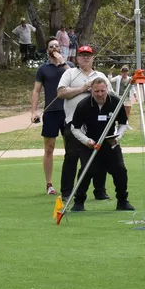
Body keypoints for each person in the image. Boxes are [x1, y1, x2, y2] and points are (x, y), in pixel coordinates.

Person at [68, 78, 135, 212]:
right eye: (96, 91)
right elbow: (75, 128)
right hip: (90, 144)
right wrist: (87, 141)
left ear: (107, 90)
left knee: (120, 170)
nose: (100, 94)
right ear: (91, 91)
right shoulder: (83, 105)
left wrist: (118, 137)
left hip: (110, 143)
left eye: (102, 91)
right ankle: (78, 202)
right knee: (86, 170)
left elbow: (123, 124)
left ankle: (122, 201)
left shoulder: (116, 102)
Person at [57, 46, 111, 203]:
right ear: (77, 58)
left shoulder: (100, 75)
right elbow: (60, 93)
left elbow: (111, 95)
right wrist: (83, 88)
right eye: (82, 56)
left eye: (88, 56)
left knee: (98, 158)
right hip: (73, 123)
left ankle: (99, 190)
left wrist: (96, 91)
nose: (85, 59)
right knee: (71, 157)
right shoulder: (70, 73)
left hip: (96, 124)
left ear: (93, 58)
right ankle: (67, 192)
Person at [31, 39, 71, 195]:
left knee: (71, 149)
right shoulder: (43, 69)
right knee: (49, 148)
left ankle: (69, 184)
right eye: (51, 46)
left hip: (68, 112)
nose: (54, 48)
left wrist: (62, 63)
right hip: (51, 112)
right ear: (47, 50)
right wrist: (34, 111)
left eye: (56, 45)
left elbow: (74, 78)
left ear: (60, 48)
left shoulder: (68, 67)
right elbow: (36, 91)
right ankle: (49, 184)